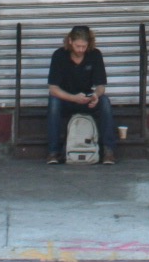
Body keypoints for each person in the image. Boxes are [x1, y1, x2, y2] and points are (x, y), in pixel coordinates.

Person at [46, 25, 118, 165]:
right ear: (70, 41)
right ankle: (53, 152)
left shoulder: (95, 55)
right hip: (67, 100)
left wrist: (95, 96)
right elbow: (53, 89)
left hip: (87, 100)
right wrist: (73, 98)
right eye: (78, 46)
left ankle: (109, 151)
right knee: (53, 102)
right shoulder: (59, 55)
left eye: (84, 46)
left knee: (105, 102)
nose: (80, 50)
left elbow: (101, 86)